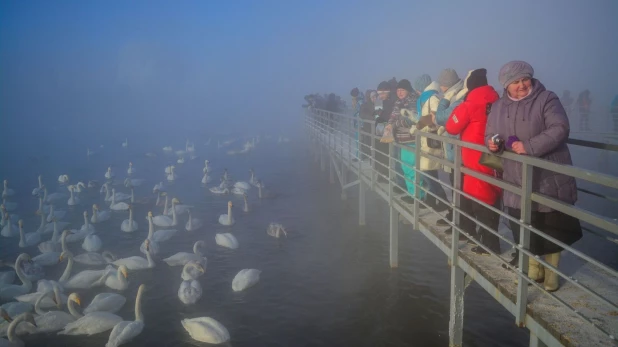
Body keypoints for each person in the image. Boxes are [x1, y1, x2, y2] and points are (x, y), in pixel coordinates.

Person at [486, 60, 582, 292]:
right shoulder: (499, 106)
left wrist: (529, 146)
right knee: (524, 224)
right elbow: (490, 132)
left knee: (551, 227)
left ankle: (552, 275)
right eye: (515, 82)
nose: (521, 85)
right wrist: (492, 143)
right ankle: (534, 269)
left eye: (524, 79)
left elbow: (560, 128)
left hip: (548, 175)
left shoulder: (547, 99)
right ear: (506, 85)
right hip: (515, 178)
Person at [445, 69, 502, 254]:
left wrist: (458, 105)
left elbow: (451, 127)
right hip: (494, 156)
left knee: (480, 197)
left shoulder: (470, 103)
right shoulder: (497, 100)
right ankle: (485, 239)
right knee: (491, 193)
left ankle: (489, 244)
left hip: (474, 158)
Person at [434, 68, 468, 227]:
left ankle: (460, 221)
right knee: (455, 184)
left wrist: (444, 101)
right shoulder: (458, 94)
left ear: (447, 85)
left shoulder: (458, 97)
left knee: (458, 185)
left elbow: (441, 117)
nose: (440, 88)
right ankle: (456, 217)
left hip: (458, 150)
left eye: (442, 84)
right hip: (455, 148)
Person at [412, 74, 449, 212]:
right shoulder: (426, 98)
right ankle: (432, 199)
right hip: (425, 139)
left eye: (417, 88)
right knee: (427, 172)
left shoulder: (432, 98)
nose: (416, 91)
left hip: (430, 139)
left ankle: (443, 201)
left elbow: (435, 117)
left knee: (428, 172)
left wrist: (420, 125)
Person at [388, 79, 420, 202]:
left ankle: (416, 195)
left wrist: (394, 124)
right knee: (406, 167)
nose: (399, 92)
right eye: (398, 90)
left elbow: (412, 119)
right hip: (401, 139)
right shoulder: (399, 102)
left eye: (402, 90)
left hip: (410, 138)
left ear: (408, 90)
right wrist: (389, 124)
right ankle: (411, 192)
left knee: (412, 168)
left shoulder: (412, 101)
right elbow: (394, 115)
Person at [374, 81, 397, 182]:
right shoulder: (379, 101)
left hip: (387, 131)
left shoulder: (393, 101)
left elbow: (389, 116)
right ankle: (381, 175)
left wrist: (380, 115)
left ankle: (385, 175)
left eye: (383, 93)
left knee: (386, 153)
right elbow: (375, 115)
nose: (381, 95)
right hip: (379, 130)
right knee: (380, 153)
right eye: (379, 93)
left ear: (388, 92)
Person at [359, 90, 378, 161]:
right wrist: (373, 118)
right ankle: (367, 157)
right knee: (368, 143)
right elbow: (362, 115)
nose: (375, 98)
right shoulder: (364, 105)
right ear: (369, 97)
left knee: (375, 144)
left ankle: (373, 159)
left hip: (377, 128)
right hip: (368, 128)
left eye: (376, 96)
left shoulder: (379, 104)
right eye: (373, 97)